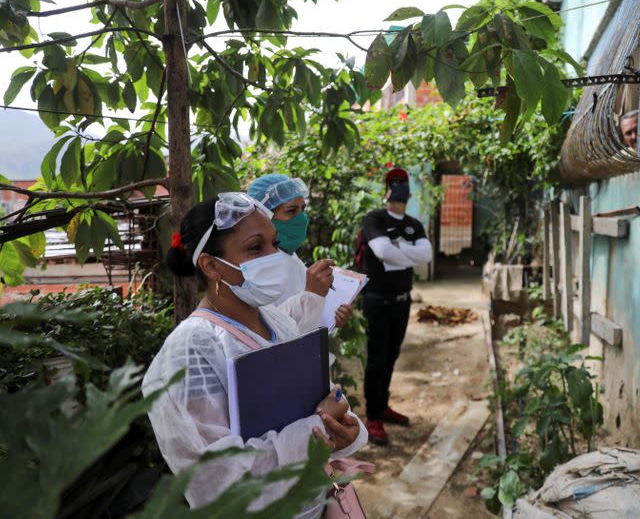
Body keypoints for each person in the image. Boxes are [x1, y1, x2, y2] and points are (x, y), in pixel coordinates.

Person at [142, 192, 367, 516]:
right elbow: (217, 481)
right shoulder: (189, 353)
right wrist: (317, 431)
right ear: (211, 265)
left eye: (273, 245)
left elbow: (315, 399)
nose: (274, 257)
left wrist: (344, 428)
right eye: (254, 248)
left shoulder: (276, 320)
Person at [361, 167, 433, 445]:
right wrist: (405, 254)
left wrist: (396, 254)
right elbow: (382, 252)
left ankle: (383, 406)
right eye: (395, 184)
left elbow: (425, 255)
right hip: (377, 301)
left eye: (403, 184)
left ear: (411, 194)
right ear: (386, 191)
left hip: (402, 301)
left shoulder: (414, 223)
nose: (399, 189)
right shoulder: (374, 219)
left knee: (391, 355)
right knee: (377, 359)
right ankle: (372, 416)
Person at [247, 174, 353, 332]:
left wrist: (331, 318)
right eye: (291, 211)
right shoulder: (255, 268)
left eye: (303, 209)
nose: (302, 219)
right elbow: (267, 330)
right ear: (264, 216)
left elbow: (307, 319)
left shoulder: (290, 256)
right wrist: (311, 295)